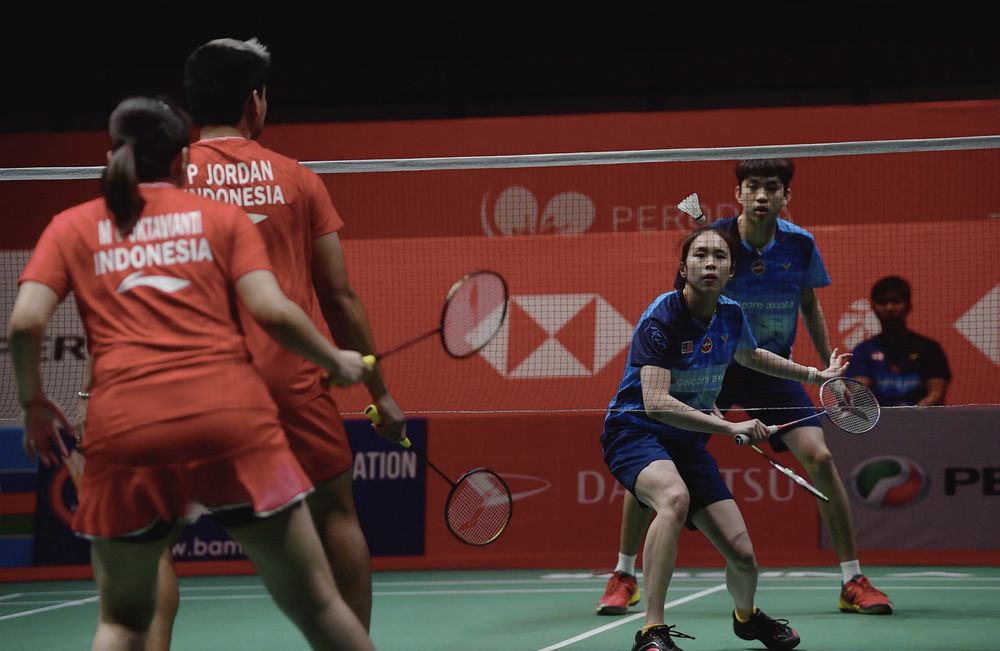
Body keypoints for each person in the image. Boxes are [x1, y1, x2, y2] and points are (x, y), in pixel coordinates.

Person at [8, 96, 375, 651]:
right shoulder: (220, 219)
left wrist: (34, 403)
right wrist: (335, 360)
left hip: (127, 428)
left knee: (122, 622)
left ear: (112, 156)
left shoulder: (71, 227)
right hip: (229, 422)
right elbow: (273, 311)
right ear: (183, 160)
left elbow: (25, 325)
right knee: (320, 606)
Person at [598, 159, 894, 621]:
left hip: (760, 360)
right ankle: (624, 572)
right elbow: (680, 311)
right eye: (752, 187)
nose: (761, 196)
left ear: (784, 197)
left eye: (770, 188)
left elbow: (807, 307)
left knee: (819, 455)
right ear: (738, 193)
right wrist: (708, 403)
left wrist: (821, 372)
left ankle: (852, 577)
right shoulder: (714, 239)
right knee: (654, 462)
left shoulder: (799, 245)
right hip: (705, 362)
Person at [180, 37, 406, 631]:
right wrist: (379, 392)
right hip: (291, 379)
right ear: (255, 101)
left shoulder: (166, 178)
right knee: (335, 513)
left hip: (192, 385)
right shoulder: (298, 179)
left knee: (148, 531)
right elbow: (339, 298)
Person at [603, 225, 851, 651]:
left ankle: (747, 617)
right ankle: (651, 631)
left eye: (719, 256)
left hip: (685, 442)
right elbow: (657, 403)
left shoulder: (731, 314)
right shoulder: (661, 318)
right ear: (683, 268)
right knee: (673, 500)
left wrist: (815, 375)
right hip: (636, 431)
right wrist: (730, 427)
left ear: (731, 271)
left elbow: (752, 356)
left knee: (744, 558)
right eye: (700, 256)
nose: (710, 263)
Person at [847, 275, 951, 406]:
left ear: (908, 305)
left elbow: (936, 394)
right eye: (882, 302)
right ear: (873, 307)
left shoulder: (929, 349)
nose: (889, 307)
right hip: (879, 423)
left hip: (921, 421)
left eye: (895, 301)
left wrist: (913, 415)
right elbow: (858, 393)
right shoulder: (863, 351)